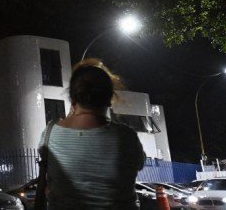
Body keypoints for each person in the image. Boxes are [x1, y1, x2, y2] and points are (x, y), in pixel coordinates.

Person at [37, 59, 145, 210]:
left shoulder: (50, 133)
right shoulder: (126, 137)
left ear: (73, 98)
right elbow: (138, 164)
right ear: (109, 100)